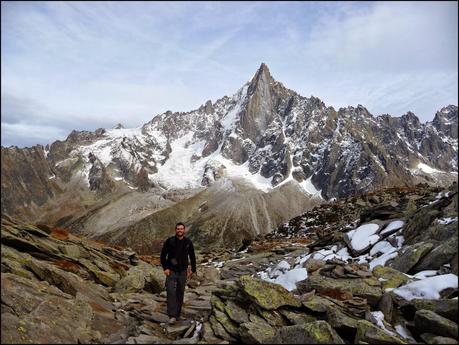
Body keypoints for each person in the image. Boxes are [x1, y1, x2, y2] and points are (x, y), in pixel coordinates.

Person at [160, 222, 196, 324]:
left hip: (183, 271)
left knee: (180, 291)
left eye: (181, 229)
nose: (179, 230)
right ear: (175, 230)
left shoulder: (188, 242)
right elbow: (163, 255)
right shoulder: (170, 241)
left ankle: (178, 314)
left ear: (184, 230)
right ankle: (172, 315)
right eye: (178, 229)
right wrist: (165, 268)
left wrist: (193, 270)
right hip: (171, 270)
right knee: (170, 291)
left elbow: (192, 256)